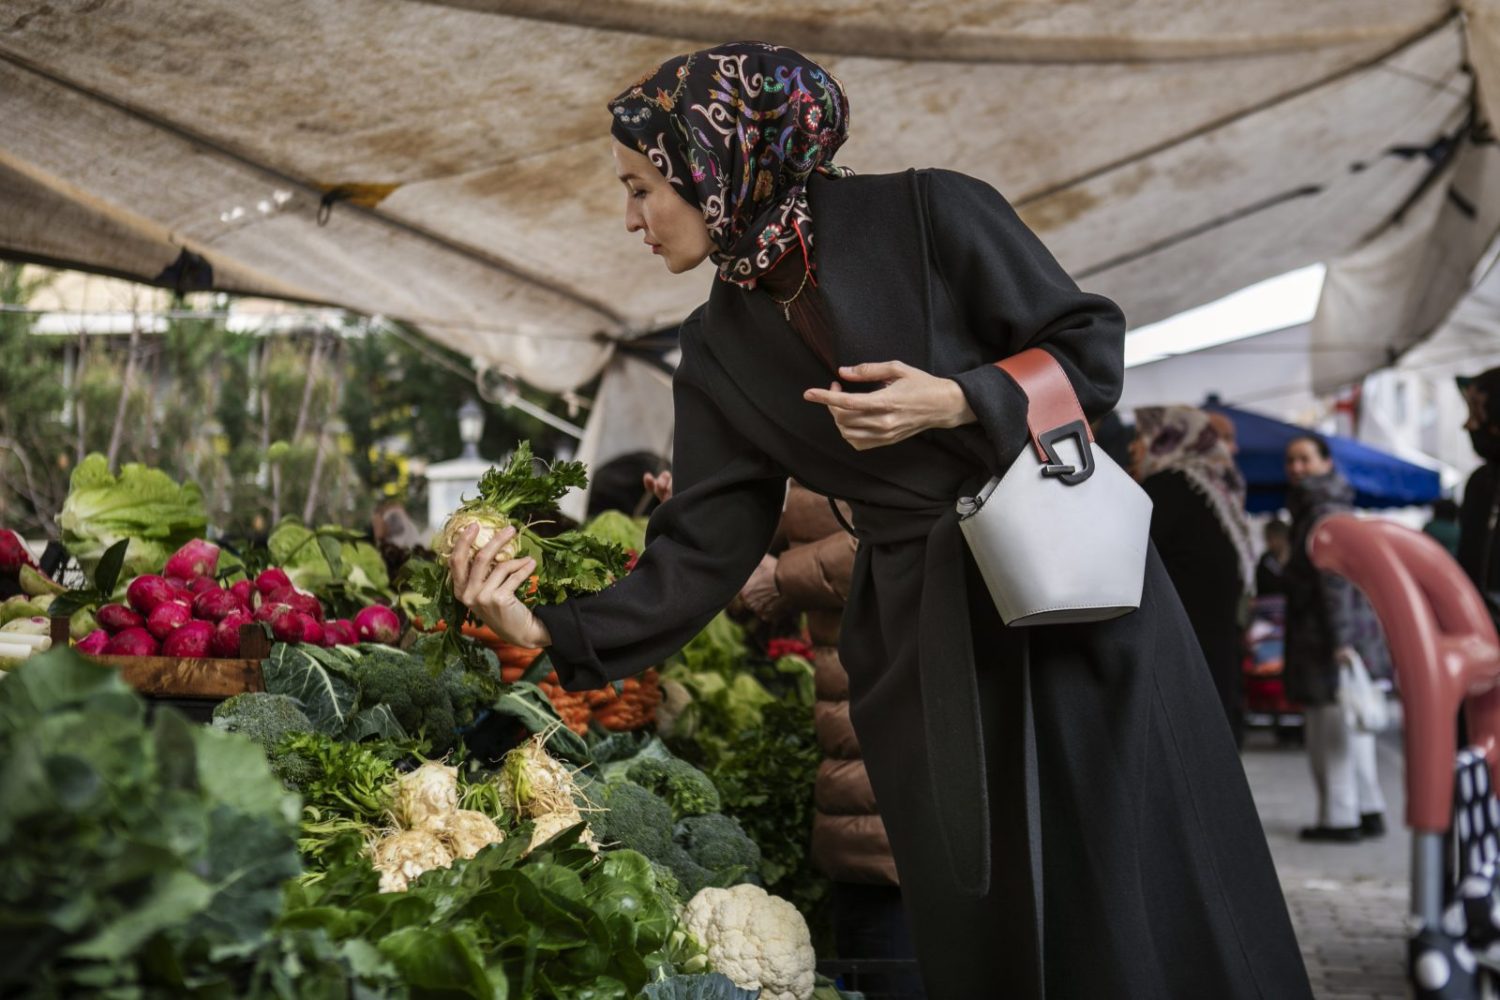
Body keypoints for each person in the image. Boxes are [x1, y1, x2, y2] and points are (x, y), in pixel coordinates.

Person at [447, 42, 1310, 997]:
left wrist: (960, 401)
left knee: (1128, 872)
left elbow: (1090, 347)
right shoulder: (717, 345)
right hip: (920, 640)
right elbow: (703, 545)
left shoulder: (933, 211)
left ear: (718, 163)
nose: (631, 220)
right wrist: (550, 629)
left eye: (645, 188)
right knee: (978, 914)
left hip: (1072, 598)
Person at [1282, 433, 1392, 843]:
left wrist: (1340, 643)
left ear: (1326, 463)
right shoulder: (1336, 507)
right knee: (1352, 730)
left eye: (1305, 459)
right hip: (1345, 636)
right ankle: (1369, 809)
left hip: (1327, 640)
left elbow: (1334, 584)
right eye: (1291, 460)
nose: (1296, 468)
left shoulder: (1320, 513)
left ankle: (1338, 819)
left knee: (1331, 733)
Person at [1132, 405, 1256, 746]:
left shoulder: (1169, 488)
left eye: (1142, 438)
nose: (1133, 448)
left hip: (1184, 659)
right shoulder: (1217, 490)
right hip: (1216, 654)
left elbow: (1129, 557)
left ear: (1167, 438)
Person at [1257, 519, 1292, 597]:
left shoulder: (1295, 558)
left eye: (1270, 538)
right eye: (1267, 538)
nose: (1268, 542)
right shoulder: (1265, 560)